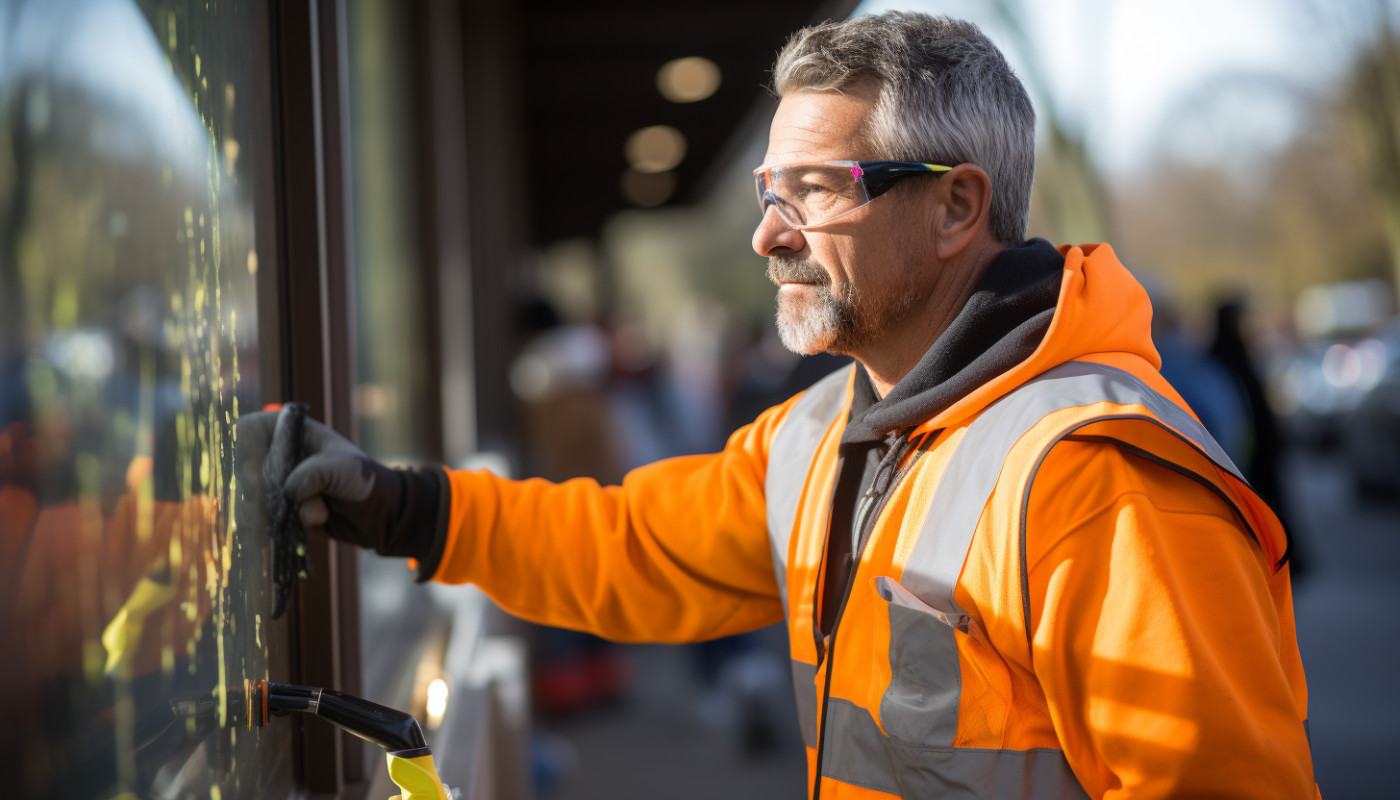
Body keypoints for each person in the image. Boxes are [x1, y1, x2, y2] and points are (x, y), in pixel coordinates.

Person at [246, 12, 1318, 799]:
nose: (766, 235)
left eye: (814, 189)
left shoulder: (1101, 481)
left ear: (955, 205)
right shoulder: (826, 433)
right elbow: (628, 546)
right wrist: (402, 507)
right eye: (769, 193)